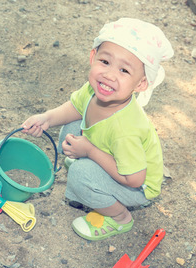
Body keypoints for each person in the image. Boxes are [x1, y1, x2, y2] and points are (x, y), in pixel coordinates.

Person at [21, 18, 174, 241]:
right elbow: (75, 107)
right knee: (71, 128)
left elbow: (134, 179)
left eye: (124, 70)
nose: (109, 75)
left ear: (141, 84)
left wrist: (90, 152)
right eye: (105, 62)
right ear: (93, 57)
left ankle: (120, 217)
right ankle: (92, 174)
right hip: (115, 157)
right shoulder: (96, 90)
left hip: (135, 187)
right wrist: (46, 119)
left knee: (80, 174)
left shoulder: (125, 129)